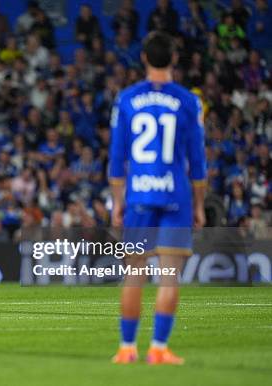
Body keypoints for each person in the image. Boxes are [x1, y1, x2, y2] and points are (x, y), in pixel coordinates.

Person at [109, 32, 206, 364]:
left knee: (135, 273)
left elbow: (117, 158)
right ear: (174, 59)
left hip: (138, 195)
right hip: (176, 195)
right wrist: (199, 204)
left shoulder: (126, 99)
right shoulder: (189, 101)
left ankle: (126, 348)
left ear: (145, 59)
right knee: (169, 276)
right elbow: (198, 160)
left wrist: (117, 201)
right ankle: (159, 348)